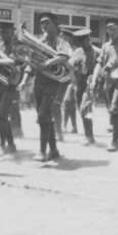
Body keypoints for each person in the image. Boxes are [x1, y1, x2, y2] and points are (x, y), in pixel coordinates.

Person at [19, 12, 72, 162]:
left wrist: (47, 63)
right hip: (39, 82)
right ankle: (54, 150)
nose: (44, 26)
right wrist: (24, 80)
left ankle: (42, 152)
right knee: (45, 117)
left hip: (53, 83)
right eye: (42, 23)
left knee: (42, 116)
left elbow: (64, 56)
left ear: (55, 25)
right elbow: (31, 63)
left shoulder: (61, 41)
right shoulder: (40, 42)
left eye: (47, 22)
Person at [91, 18, 118, 152]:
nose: (111, 31)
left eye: (114, 29)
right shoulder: (105, 46)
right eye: (109, 29)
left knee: (115, 108)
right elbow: (100, 63)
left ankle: (114, 141)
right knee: (115, 111)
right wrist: (95, 78)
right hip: (108, 83)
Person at [0, 22, 20, 154]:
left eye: (7, 32)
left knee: (1, 116)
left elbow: (16, 61)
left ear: (12, 32)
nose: (4, 35)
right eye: (2, 32)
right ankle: (4, 143)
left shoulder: (17, 46)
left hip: (10, 85)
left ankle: (9, 144)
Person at [71, 28, 100, 145]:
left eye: (85, 40)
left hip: (90, 83)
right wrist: (75, 67)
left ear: (89, 39)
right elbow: (71, 66)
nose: (83, 44)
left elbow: (101, 68)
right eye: (81, 42)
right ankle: (89, 135)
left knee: (85, 108)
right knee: (82, 110)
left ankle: (89, 136)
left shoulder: (97, 52)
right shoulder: (77, 52)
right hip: (79, 83)